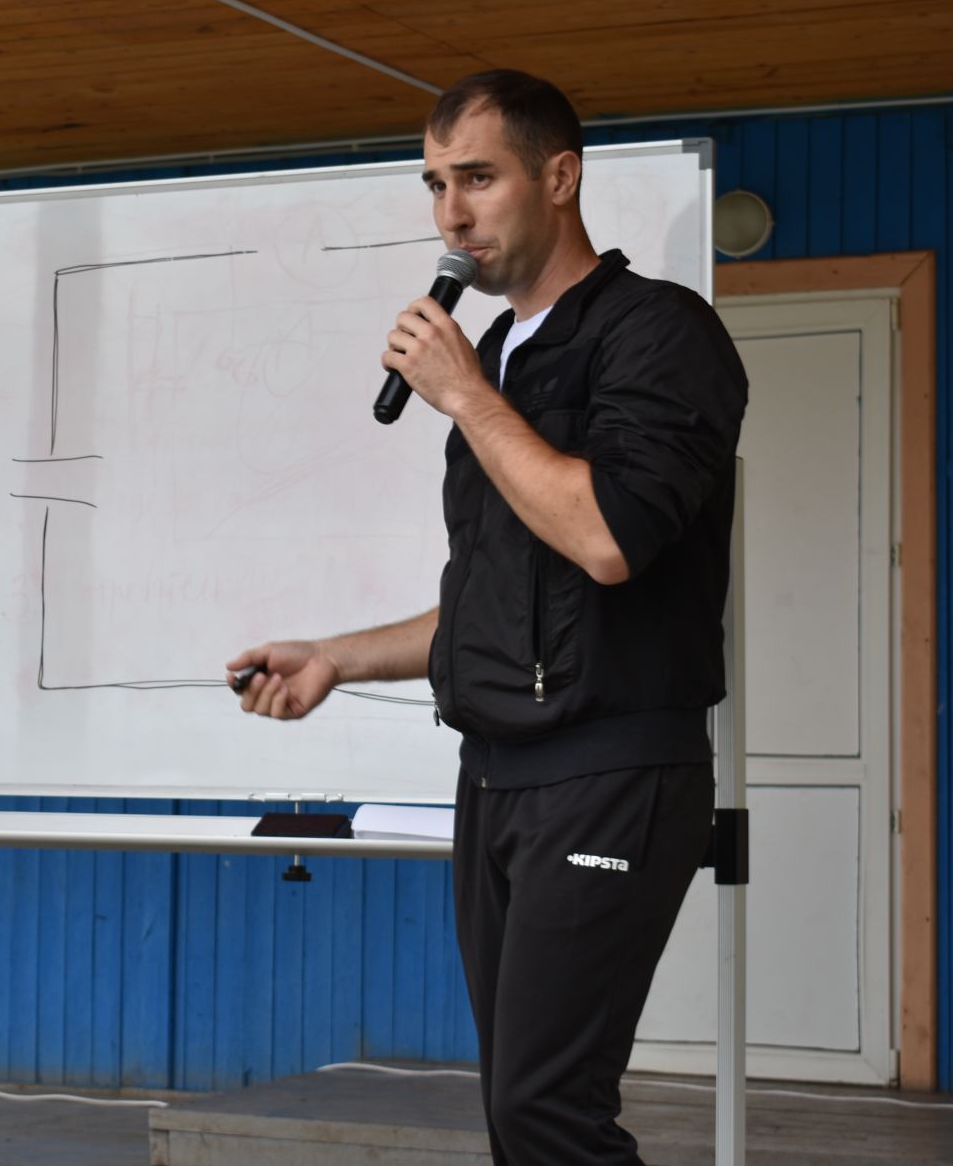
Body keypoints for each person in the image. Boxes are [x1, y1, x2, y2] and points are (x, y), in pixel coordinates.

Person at [228, 71, 747, 1164]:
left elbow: (607, 536)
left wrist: (466, 394)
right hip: (500, 772)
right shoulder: (506, 358)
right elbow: (503, 595)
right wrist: (337, 655)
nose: (450, 216)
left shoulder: (658, 332)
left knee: (549, 1108)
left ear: (559, 177)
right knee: (521, 1110)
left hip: (610, 769)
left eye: (477, 178)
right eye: (433, 184)